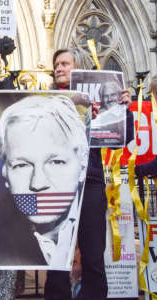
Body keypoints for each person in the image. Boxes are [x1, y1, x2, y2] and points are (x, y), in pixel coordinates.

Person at [45, 48, 133, 300]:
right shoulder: (45, 98)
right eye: (56, 64)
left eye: (65, 63)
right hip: (57, 185)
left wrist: (124, 109)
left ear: (79, 68)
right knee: (58, 259)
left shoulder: (102, 97)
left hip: (90, 183)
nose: (58, 68)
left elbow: (122, 139)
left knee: (94, 256)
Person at [0, 95, 89, 267]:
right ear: (5, 173)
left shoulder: (90, 226)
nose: (38, 184)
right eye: (22, 165)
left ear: (82, 166)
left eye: (56, 162)